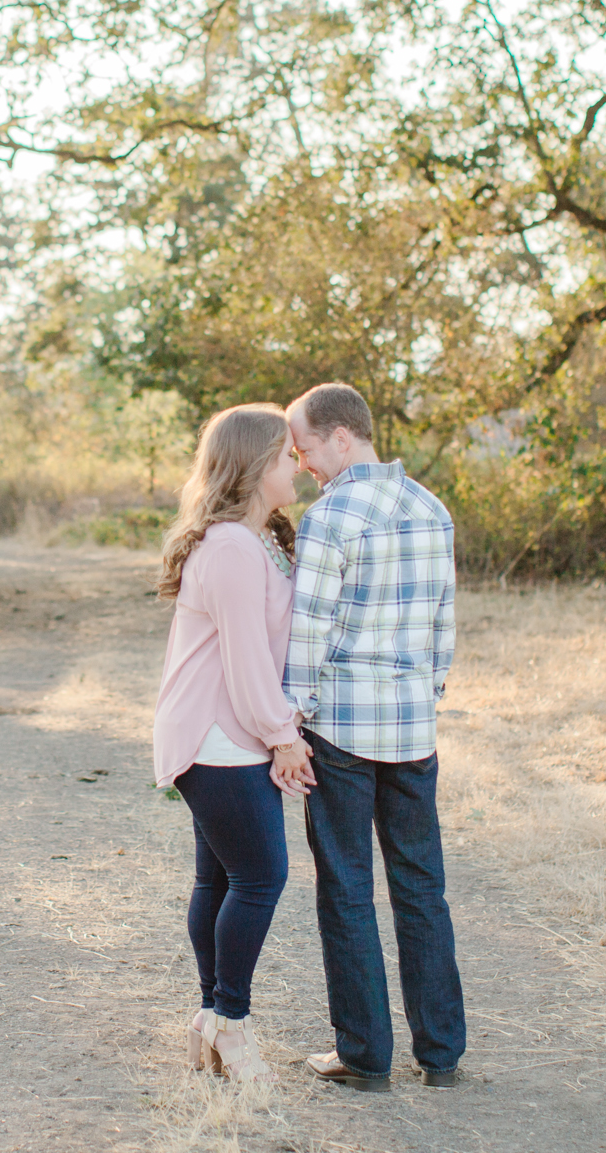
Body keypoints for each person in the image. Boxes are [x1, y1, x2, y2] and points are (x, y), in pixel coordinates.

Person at [278, 381, 466, 1092]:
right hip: (415, 728)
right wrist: (423, 695)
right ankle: (441, 1053)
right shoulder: (432, 508)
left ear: (340, 438)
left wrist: (291, 723)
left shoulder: (332, 517)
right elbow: (443, 627)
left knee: (348, 888)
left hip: (344, 732)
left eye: (304, 449)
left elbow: (309, 630)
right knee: (422, 888)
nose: (302, 465)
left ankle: (364, 1057)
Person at [151, 403, 316, 1084]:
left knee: (219, 879)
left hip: (226, 729)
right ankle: (232, 1025)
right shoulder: (230, 550)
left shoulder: (255, 542)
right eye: (286, 457)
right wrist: (284, 738)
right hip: (220, 735)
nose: (297, 467)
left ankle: (208, 1023)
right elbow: (249, 663)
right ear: (253, 467)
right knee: (259, 877)